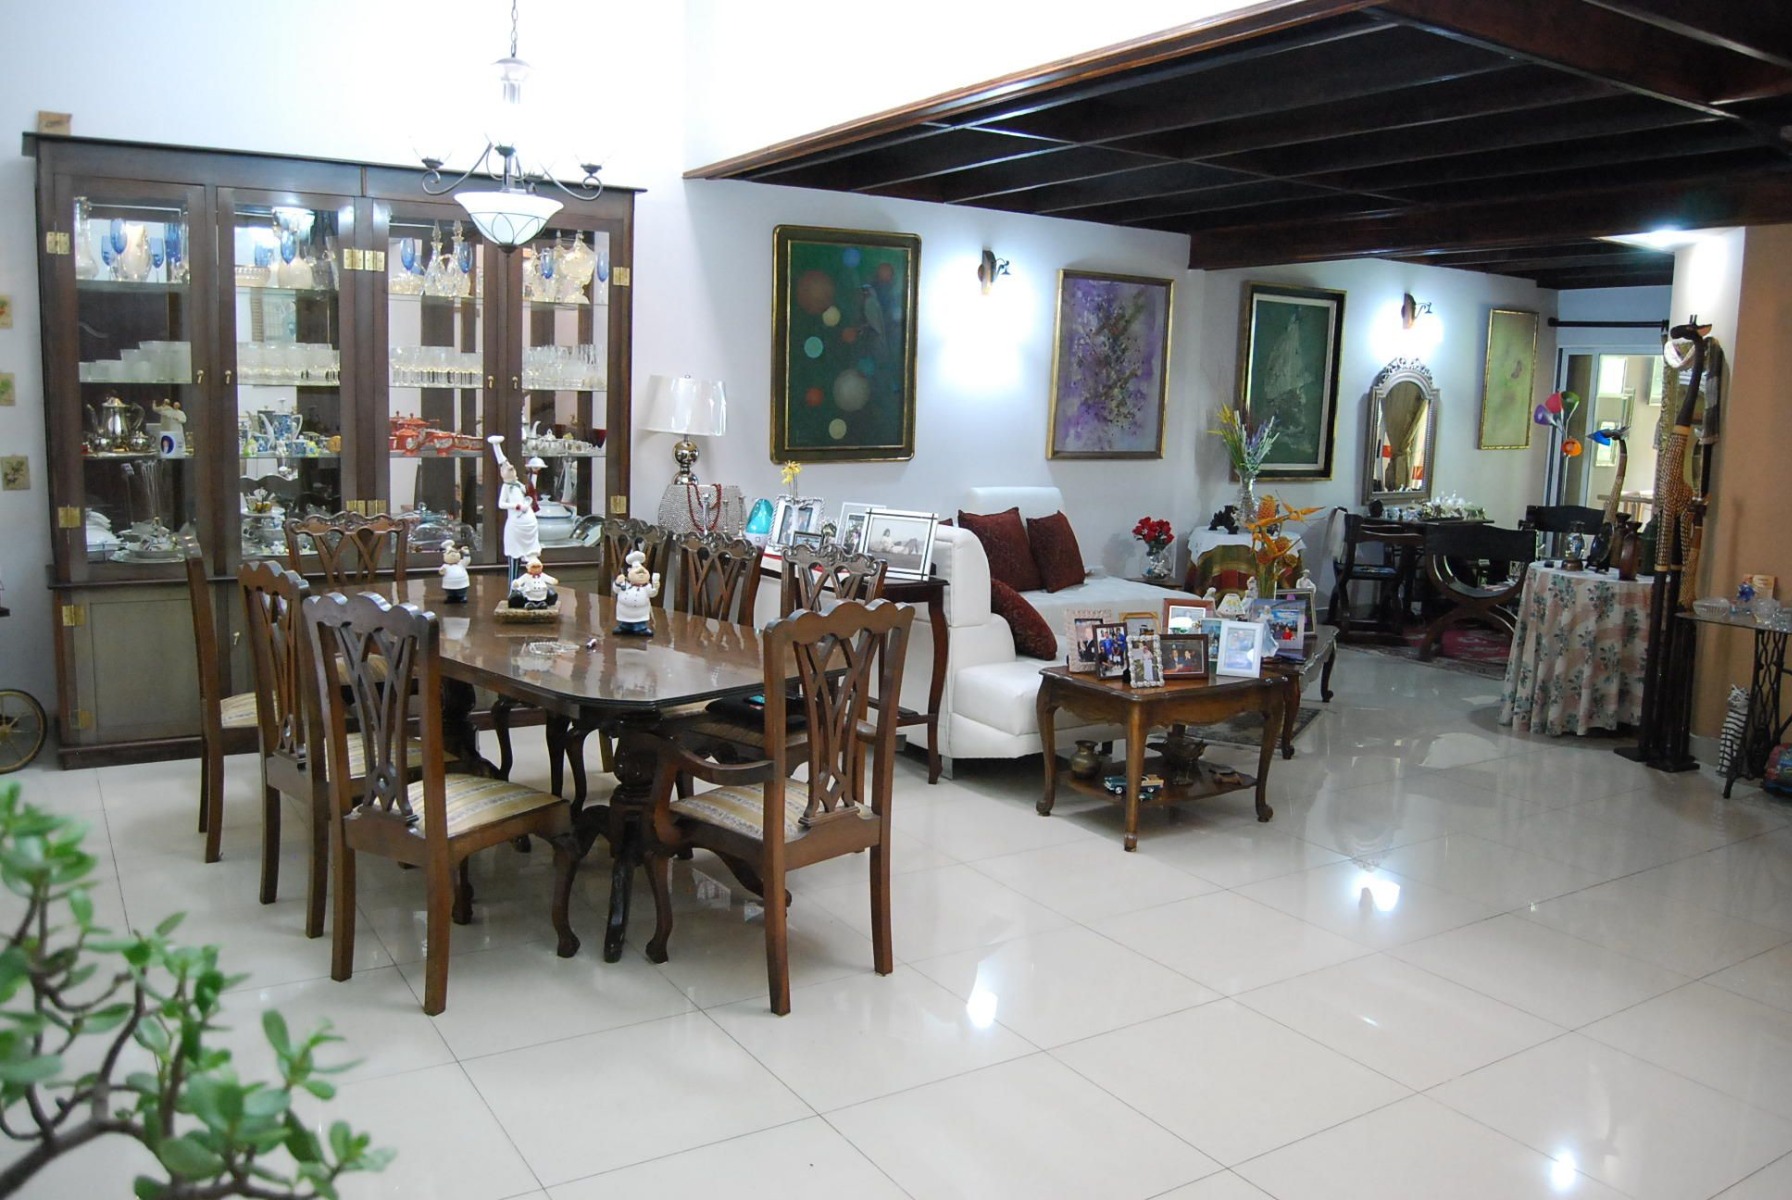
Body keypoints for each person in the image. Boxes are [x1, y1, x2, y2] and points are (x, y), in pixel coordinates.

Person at [488, 435, 539, 579]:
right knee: (515, 556)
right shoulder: (506, 487)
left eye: (511, 468)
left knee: (532, 559)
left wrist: (535, 474)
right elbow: (501, 504)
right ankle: (513, 587)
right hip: (516, 525)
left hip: (529, 525)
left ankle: (532, 584)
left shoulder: (518, 484)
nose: (510, 469)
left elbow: (530, 490)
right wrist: (516, 506)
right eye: (505, 469)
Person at [612, 547, 661, 636]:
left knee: (640, 625)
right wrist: (617, 582)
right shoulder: (624, 583)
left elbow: (652, 594)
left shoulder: (646, 587)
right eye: (638, 574)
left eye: (643, 574)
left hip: (640, 613)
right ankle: (624, 627)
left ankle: (641, 628)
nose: (641, 576)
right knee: (625, 623)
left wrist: (655, 588)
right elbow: (616, 589)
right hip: (624, 612)